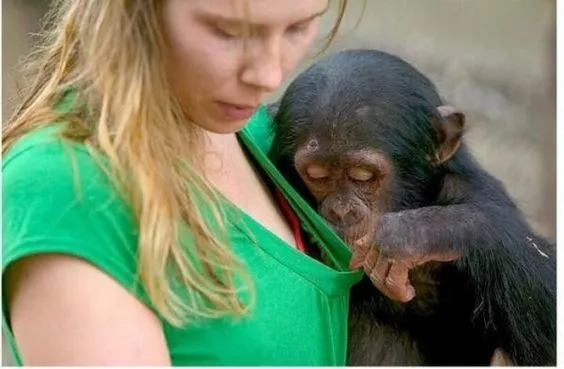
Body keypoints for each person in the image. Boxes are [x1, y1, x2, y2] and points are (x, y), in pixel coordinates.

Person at [2, 0, 363, 366]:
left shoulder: (262, 135)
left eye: (299, 27)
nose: (269, 76)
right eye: (228, 31)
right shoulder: (68, 188)